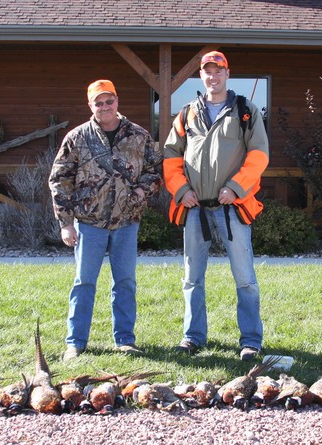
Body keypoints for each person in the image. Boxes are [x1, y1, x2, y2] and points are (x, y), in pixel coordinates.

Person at [163, 51, 270, 361]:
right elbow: (171, 155)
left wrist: (235, 188)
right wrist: (181, 190)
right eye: (207, 71)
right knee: (192, 278)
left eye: (218, 70)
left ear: (227, 74)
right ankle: (193, 337)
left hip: (232, 209)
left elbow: (259, 154)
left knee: (245, 278)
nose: (213, 76)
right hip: (195, 209)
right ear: (201, 75)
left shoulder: (245, 111)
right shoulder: (187, 114)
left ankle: (250, 341)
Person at [49, 79, 162, 361]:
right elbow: (60, 179)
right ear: (91, 106)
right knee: (84, 282)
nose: (104, 106)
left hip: (126, 221)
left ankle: (124, 340)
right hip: (89, 223)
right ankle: (75, 343)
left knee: (125, 282)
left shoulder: (138, 135)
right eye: (98, 102)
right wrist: (65, 222)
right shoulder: (77, 138)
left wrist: (140, 191)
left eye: (108, 100)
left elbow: (156, 170)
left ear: (117, 101)